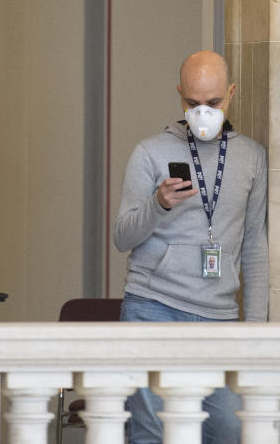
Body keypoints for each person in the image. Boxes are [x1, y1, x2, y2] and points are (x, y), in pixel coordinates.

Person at [113, 50, 269, 444]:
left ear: (231, 94)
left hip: (219, 317)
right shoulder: (150, 152)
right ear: (180, 96)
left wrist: (255, 328)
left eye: (214, 103)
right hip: (153, 307)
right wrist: (159, 204)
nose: (204, 112)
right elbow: (122, 237)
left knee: (229, 430)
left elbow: (254, 244)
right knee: (151, 432)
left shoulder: (251, 156)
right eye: (193, 103)